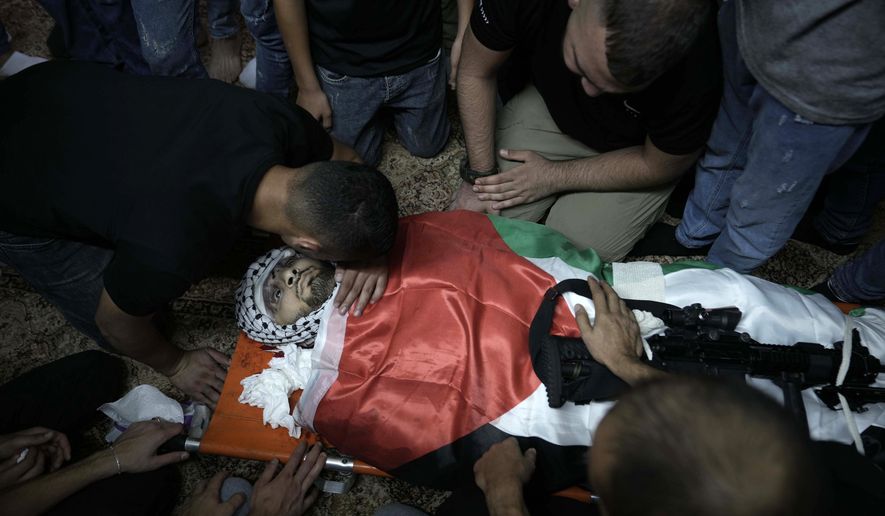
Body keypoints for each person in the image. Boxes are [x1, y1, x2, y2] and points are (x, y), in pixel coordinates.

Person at [0, 60, 399, 408]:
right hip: (14, 177)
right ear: (305, 246)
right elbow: (116, 323)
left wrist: (370, 252)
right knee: (141, 326)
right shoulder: (172, 248)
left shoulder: (275, 116)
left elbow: (350, 161)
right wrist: (176, 363)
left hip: (50, 85)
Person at [450, 0, 720, 261]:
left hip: (634, 151)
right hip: (550, 107)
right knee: (480, 224)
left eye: (612, 88)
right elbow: (475, 72)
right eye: (580, 65)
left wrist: (554, 176)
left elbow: (661, 164)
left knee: (571, 253)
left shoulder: (700, 64)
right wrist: (479, 175)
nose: (591, 91)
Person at [640, 0, 885, 273]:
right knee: (724, 145)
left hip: (828, 66)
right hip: (754, 23)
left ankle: (720, 275)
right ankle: (695, 234)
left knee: (762, 206)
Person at [273, 0, 470, 166]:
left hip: (418, 51)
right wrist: (308, 87)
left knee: (429, 146)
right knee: (354, 162)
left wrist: (464, 34)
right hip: (342, 62)